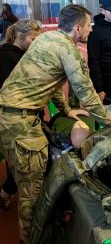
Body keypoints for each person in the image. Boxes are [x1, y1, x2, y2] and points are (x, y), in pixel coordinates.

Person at [0, 4, 111, 244]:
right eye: (89, 25)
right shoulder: (68, 50)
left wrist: (65, 110)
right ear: (77, 27)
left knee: (27, 182)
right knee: (33, 190)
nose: (91, 30)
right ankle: (28, 240)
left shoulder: (47, 38)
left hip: (9, 116)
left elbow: (50, 81)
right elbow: (86, 92)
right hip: (20, 121)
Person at [0, 19, 43, 211]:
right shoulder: (7, 58)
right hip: (13, 119)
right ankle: (6, 194)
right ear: (20, 36)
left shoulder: (23, 54)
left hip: (26, 116)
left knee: (21, 162)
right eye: (34, 39)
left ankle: (7, 192)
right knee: (20, 164)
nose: (36, 43)